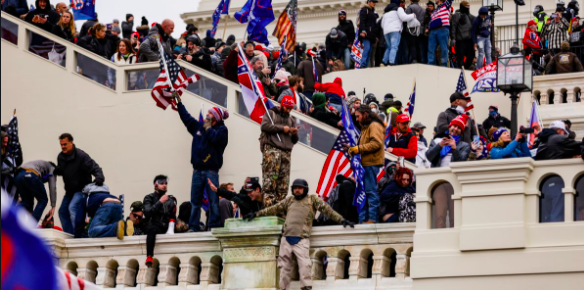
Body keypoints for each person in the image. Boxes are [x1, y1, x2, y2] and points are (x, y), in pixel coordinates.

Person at [246, 179, 355, 290]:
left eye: (300, 188)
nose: (297, 190)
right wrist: (257, 214)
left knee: (305, 266)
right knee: (284, 268)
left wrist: (342, 220)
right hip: (286, 239)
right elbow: (274, 209)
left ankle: (306, 288)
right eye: (295, 188)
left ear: (305, 189)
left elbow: (328, 210)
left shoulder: (312, 199)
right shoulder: (289, 200)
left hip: (302, 239)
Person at [176, 97, 229, 232]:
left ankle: (213, 226)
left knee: (213, 201)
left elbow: (216, 139)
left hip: (212, 170)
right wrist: (179, 103)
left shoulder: (222, 130)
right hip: (197, 170)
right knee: (195, 202)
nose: (207, 116)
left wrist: (207, 127)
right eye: (207, 114)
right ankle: (193, 226)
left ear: (216, 118)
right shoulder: (199, 126)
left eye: (210, 115)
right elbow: (187, 119)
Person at [57, 133, 105, 235]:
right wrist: (56, 170)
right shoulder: (61, 157)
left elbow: (94, 167)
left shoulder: (81, 156)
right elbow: (63, 170)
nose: (63, 147)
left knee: (72, 207)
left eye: (65, 144)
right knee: (62, 212)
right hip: (70, 191)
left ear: (71, 142)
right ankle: (69, 234)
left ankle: (79, 233)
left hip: (81, 189)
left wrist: (99, 177)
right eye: (61, 144)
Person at [346, 105, 385, 224]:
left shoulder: (374, 125)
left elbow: (376, 143)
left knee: (370, 192)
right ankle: (363, 220)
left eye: (358, 116)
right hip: (364, 165)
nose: (356, 119)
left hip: (371, 164)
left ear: (365, 114)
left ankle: (372, 219)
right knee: (363, 193)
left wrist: (358, 149)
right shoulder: (365, 127)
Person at [260, 96, 299, 208]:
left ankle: (279, 209)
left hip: (286, 153)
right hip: (272, 150)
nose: (288, 111)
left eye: (290, 109)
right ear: (281, 105)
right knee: (270, 182)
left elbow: (295, 140)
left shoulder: (291, 119)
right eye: (286, 108)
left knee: (283, 185)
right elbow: (264, 126)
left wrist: (294, 133)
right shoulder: (271, 113)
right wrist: (283, 129)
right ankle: (268, 208)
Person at [143, 175, 177, 267]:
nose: (164, 185)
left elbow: (172, 215)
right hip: (155, 225)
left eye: (166, 183)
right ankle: (149, 256)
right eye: (162, 183)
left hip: (167, 226)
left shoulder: (170, 199)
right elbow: (147, 213)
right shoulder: (149, 198)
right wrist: (160, 202)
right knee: (151, 230)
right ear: (156, 185)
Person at [381, 0, 415, 66]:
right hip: (395, 30)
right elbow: (404, 17)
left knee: (389, 47)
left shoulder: (386, 12)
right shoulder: (398, 8)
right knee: (394, 47)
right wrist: (412, 15)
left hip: (386, 32)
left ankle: (384, 62)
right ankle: (391, 62)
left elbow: (382, 24)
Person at [427, 0, 453, 66]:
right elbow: (432, 19)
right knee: (431, 49)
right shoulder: (435, 11)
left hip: (443, 28)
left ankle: (443, 64)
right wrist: (428, 28)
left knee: (444, 48)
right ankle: (430, 64)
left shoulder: (446, 5)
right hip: (433, 30)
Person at [451, 1, 475, 69]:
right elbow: (453, 27)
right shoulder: (457, 15)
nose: (468, 7)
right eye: (466, 6)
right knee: (460, 58)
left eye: (468, 6)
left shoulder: (471, 17)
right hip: (460, 41)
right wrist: (453, 38)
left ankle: (465, 68)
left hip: (469, 41)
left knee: (471, 56)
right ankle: (461, 71)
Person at [359, 0, 380, 68]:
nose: (374, 4)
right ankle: (362, 64)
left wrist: (376, 36)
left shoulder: (372, 11)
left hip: (372, 35)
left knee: (370, 50)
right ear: (369, 2)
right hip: (366, 34)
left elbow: (374, 25)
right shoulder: (364, 10)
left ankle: (366, 65)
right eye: (373, 2)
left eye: (375, 2)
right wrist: (363, 31)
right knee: (367, 48)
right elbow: (362, 21)